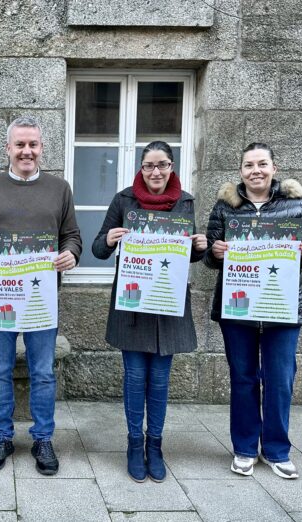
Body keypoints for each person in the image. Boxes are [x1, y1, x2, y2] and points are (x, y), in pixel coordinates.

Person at [0, 116, 82, 475]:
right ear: (8, 149)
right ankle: (2, 436)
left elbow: (71, 235)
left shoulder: (60, 189)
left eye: (33, 144)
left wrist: (71, 254)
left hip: (42, 294)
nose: (26, 151)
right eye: (20, 145)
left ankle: (43, 438)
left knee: (42, 371)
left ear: (42, 148)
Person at [92, 141, 207, 483]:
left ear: (172, 167)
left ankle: (155, 446)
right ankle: (133, 443)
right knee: (135, 378)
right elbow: (98, 248)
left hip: (168, 306)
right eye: (149, 166)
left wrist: (198, 248)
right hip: (134, 303)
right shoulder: (124, 200)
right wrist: (110, 239)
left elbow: (187, 254)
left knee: (159, 380)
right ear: (140, 168)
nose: (156, 172)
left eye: (162, 165)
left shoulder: (185, 201)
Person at [204, 142, 302, 479]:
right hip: (238, 307)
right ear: (240, 171)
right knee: (242, 379)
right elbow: (212, 258)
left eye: (262, 164)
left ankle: (276, 450)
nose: (255, 170)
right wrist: (216, 251)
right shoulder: (226, 207)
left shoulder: (296, 204)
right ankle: (244, 448)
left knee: (280, 380)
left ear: (274, 167)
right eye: (248, 165)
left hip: (282, 308)